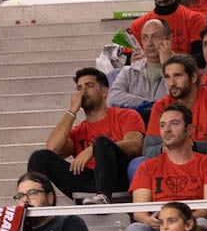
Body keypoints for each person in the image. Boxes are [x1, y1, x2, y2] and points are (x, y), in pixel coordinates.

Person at [124, 105, 207, 231]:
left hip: (193, 225)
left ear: (190, 130)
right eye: (163, 125)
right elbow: (139, 212)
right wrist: (150, 220)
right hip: (159, 229)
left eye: (174, 124)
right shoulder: (148, 167)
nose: (167, 130)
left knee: (202, 224)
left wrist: (180, 222)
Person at [28, 68, 144, 201]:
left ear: (104, 91)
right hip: (88, 181)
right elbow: (53, 148)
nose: (83, 91)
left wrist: (93, 149)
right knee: (39, 157)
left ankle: (103, 197)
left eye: (89, 86)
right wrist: (72, 110)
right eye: (79, 88)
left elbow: (135, 145)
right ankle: (35, 204)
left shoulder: (126, 115)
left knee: (101, 142)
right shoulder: (79, 130)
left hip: (118, 178)